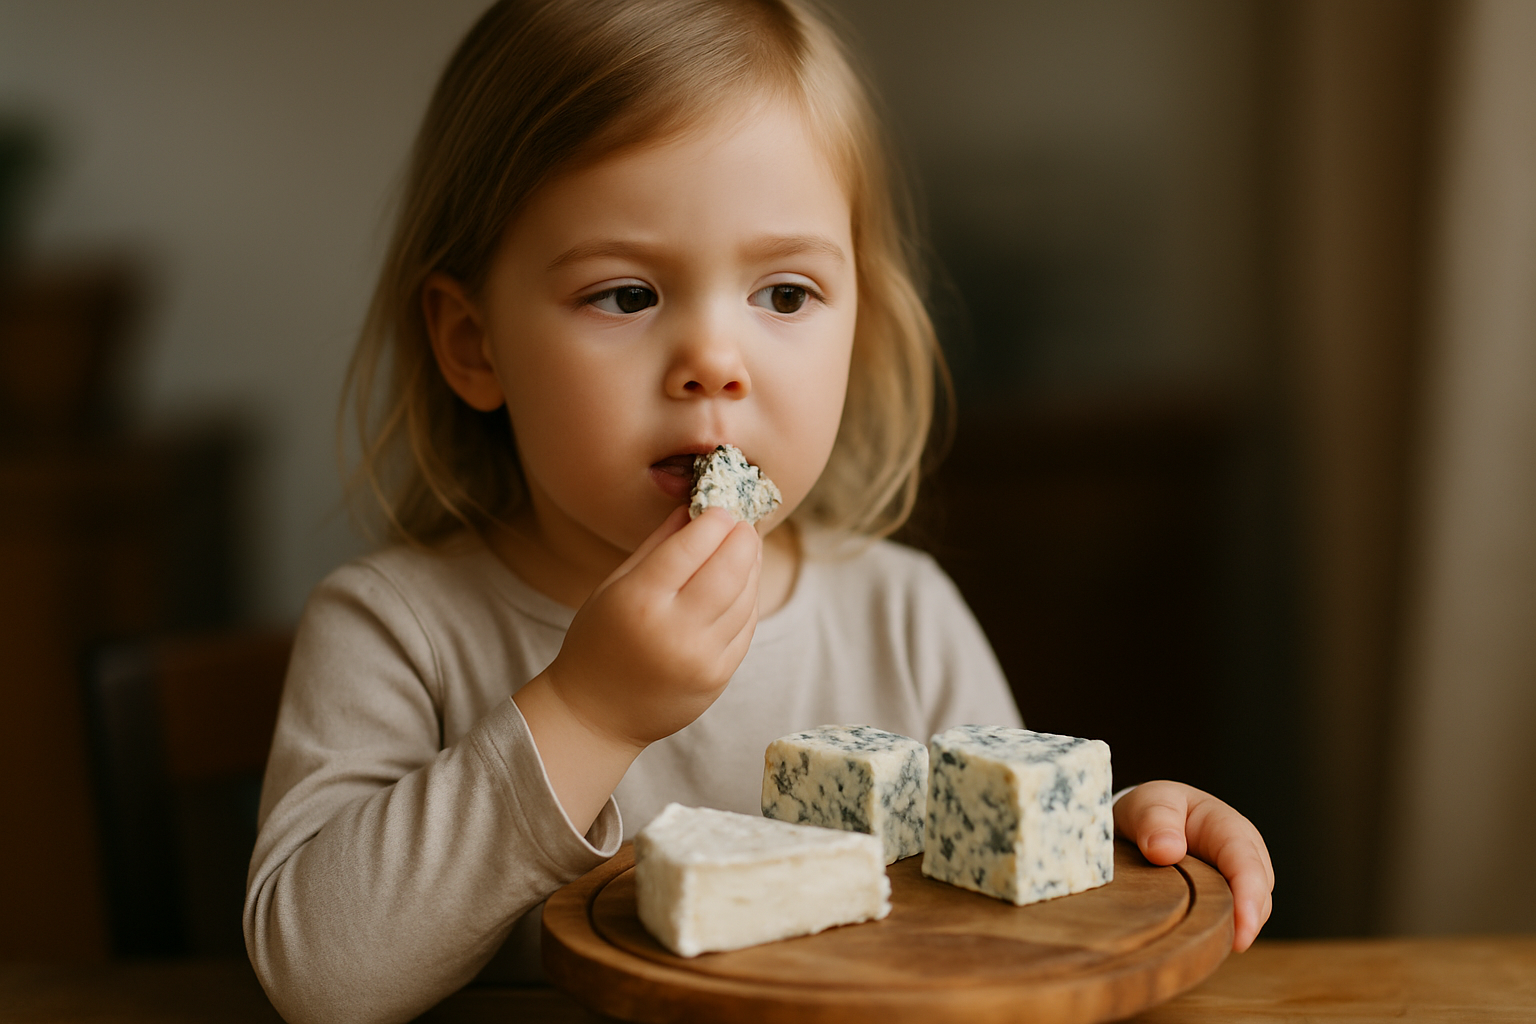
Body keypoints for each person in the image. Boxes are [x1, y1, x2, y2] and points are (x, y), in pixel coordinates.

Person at [243, 1, 1275, 1021]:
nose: (714, 364)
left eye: (784, 295)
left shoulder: (900, 615)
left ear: (858, 322)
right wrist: (587, 709)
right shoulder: (394, 630)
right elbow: (322, 978)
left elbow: (996, 908)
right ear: (474, 343)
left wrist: (1112, 840)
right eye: (626, 295)